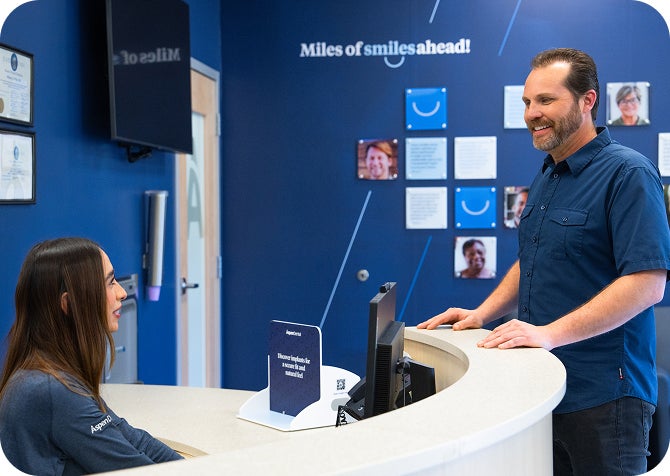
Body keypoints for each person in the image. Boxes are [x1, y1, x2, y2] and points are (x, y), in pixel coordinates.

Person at [418, 48, 670, 475]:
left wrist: (548, 334)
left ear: (587, 101)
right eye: (527, 102)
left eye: (546, 101)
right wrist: (483, 313)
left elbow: (647, 283)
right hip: (543, 389)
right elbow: (535, 257)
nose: (532, 113)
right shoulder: (550, 173)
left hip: (605, 398)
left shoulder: (628, 173)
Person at [0, 238, 183, 474]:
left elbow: (133, 439)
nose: (121, 293)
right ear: (69, 304)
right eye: (109, 283)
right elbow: (138, 472)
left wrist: (201, 469)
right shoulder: (53, 391)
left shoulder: (51, 373)